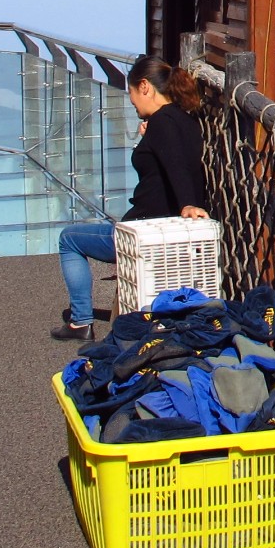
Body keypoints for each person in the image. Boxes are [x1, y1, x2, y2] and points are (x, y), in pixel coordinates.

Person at [53, 55, 209, 339]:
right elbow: (173, 160)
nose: (132, 102)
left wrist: (188, 204)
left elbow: (176, 167)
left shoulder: (162, 124)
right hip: (164, 229)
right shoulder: (184, 121)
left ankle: (80, 321)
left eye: (133, 94)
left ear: (145, 87)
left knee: (69, 239)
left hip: (141, 233)